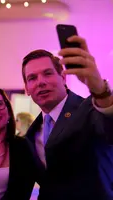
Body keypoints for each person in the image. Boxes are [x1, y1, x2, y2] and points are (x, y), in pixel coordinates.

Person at [22, 36, 113, 200]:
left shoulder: (90, 110)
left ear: (63, 77)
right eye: (32, 78)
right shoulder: (31, 134)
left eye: (48, 73)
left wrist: (101, 91)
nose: (40, 82)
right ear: (27, 88)